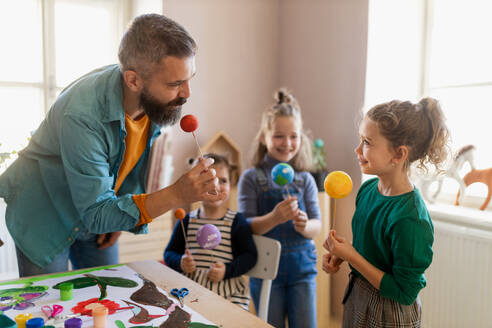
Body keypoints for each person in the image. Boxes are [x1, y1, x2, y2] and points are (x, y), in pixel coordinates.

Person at [0, 14, 225, 277]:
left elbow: (129, 161)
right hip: (45, 216)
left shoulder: (151, 100)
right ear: (133, 80)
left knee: (107, 298)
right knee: (50, 309)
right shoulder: (82, 115)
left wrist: (121, 212)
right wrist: (176, 194)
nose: (187, 93)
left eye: (189, 79)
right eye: (175, 84)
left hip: (97, 208)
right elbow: (97, 213)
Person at [323, 98, 450, 327]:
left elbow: (404, 291)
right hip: (358, 295)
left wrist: (352, 255)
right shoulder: (368, 190)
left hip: (389, 312)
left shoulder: (411, 218)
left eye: (367, 142)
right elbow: (373, 250)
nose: (357, 149)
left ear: (399, 155)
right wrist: (343, 254)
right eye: (360, 139)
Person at [237, 89, 321, 328]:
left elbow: (317, 225)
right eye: (279, 136)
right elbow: (245, 227)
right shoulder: (251, 178)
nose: (287, 143)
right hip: (265, 271)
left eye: (293, 136)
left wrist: (305, 225)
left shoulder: (305, 179)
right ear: (264, 137)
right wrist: (274, 218)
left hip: (302, 270)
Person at [164, 153, 257, 310]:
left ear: (231, 184)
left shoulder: (236, 221)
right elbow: (169, 253)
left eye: (223, 180)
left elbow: (250, 256)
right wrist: (181, 262)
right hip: (192, 289)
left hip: (228, 291)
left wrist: (227, 270)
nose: (216, 186)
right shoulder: (187, 221)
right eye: (208, 180)